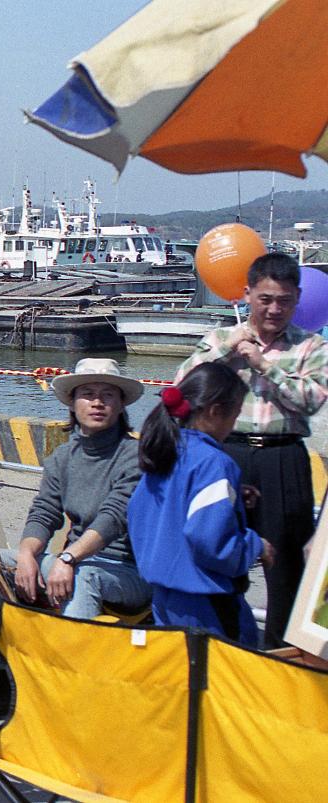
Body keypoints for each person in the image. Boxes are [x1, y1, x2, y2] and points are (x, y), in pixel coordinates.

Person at [176, 253, 328, 648]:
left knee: (286, 564)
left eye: (284, 300)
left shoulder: (311, 345)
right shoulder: (219, 338)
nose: (274, 309)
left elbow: (311, 400)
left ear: (297, 298)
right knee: (216, 551)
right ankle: (219, 646)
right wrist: (229, 353)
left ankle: (281, 653)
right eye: (265, 299)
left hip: (283, 456)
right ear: (247, 295)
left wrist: (264, 365)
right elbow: (181, 389)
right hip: (227, 455)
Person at [128, 363, 273, 645]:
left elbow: (142, 512)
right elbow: (209, 539)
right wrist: (256, 545)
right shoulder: (215, 462)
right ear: (215, 411)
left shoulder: (166, 450)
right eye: (234, 415)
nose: (233, 425)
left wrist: (234, 500)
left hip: (163, 597)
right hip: (207, 602)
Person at [11, 358, 151, 620]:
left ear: (121, 406)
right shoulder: (62, 457)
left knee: (82, 577)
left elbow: (113, 517)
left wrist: (68, 558)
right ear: (73, 404)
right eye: (87, 394)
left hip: (126, 570)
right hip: (74, 559)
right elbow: (44, 512)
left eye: (107, 395)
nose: (97, 403)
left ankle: (72, 657)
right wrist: (26, 554)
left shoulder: (135, 456)